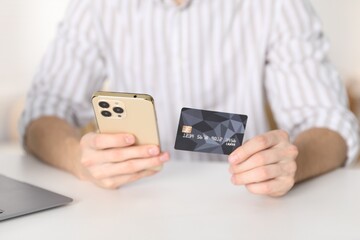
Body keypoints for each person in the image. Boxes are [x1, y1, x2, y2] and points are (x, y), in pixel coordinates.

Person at [20, 0, 359, 197]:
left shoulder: (276, 5)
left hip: (247, 204)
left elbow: (329, 122)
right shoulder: (97, 6)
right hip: (135, 203)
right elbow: (44, 109)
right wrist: (79, 160)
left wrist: (290, 164)